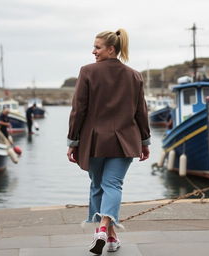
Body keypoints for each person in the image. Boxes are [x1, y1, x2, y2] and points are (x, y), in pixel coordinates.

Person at [67, 28, 150, 254]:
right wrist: (145, 141)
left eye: (97, 47)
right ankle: (110, 237)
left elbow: (78, 110)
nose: (93, 51)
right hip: (125, 140)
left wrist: (72, 141)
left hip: (94, 141)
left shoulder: (87, 72)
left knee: (97, 186)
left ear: (111, 49)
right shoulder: (135, 75)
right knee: (112, 185)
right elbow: (141, 112)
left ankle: (100, 229)